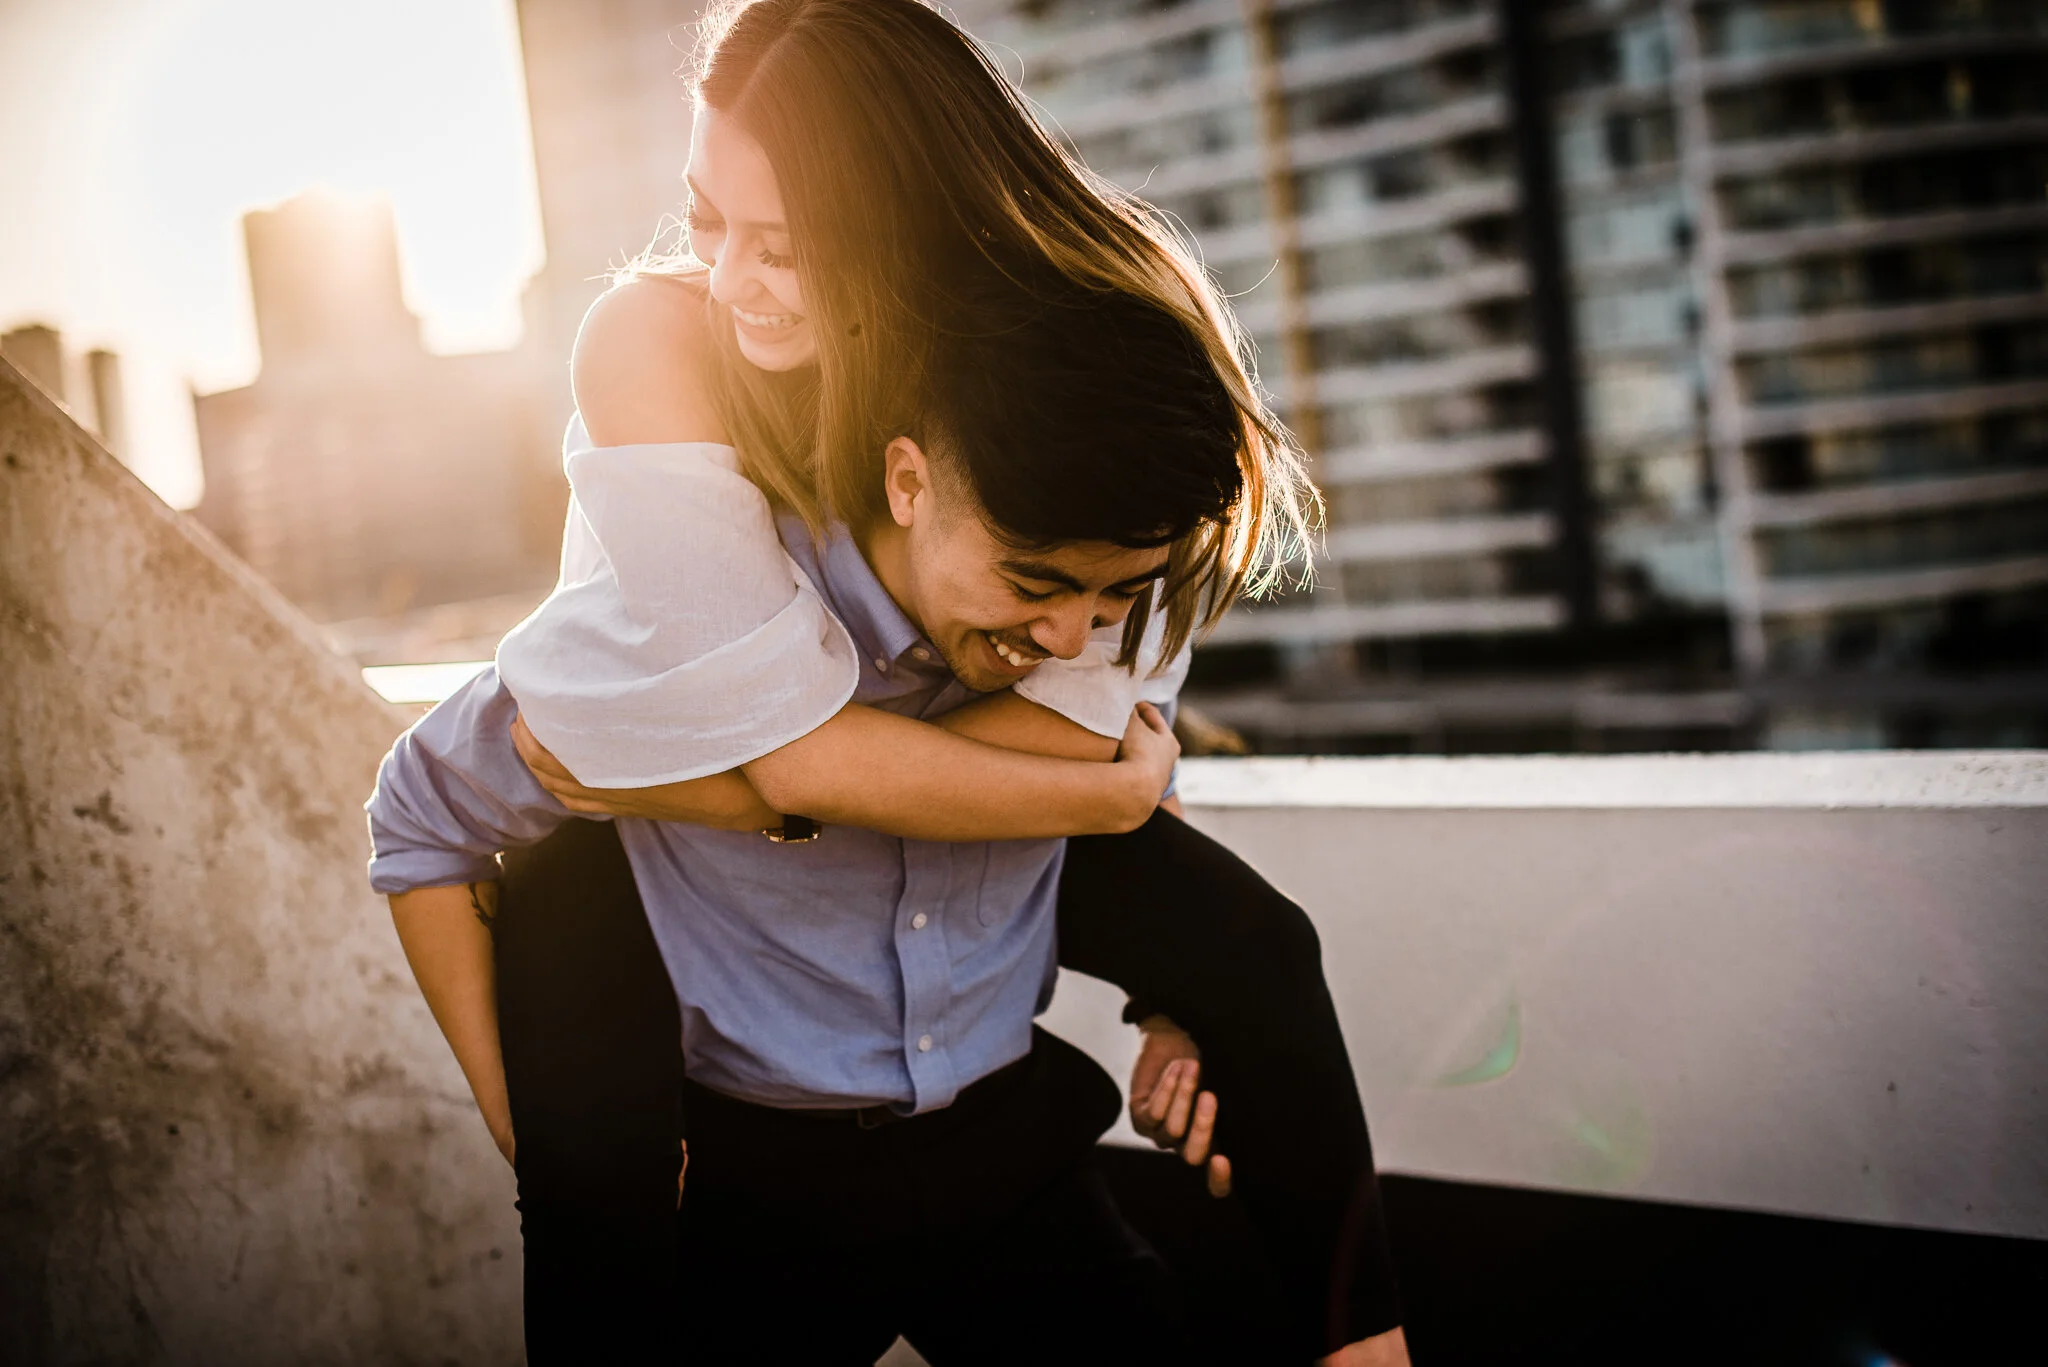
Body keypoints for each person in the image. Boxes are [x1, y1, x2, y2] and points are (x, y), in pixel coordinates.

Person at [374, 0, 1407, 1361]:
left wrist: (1173, 973)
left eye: (783, 245)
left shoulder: (1104, 398)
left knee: (1256, 951)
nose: (734, 279)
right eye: (707, 223)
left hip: (997, 1118)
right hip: (738, 1115)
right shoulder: (672, 379)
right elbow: (787, 750)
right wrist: (567, 1156)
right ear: (904, 482)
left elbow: (1079, 689)